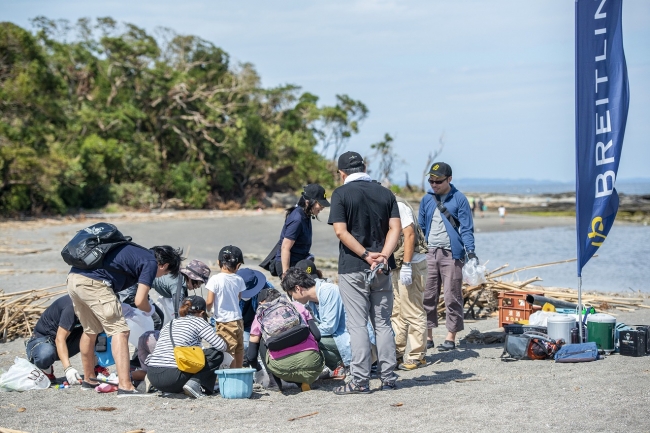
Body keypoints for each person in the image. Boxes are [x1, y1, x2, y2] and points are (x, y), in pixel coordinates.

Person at [327, 151, 401, 394]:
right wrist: (383, 256)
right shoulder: (385, 192)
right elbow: (395, 229)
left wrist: (365, 254)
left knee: (357, 325)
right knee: (382, 323)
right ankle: (389, 377)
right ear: (365, 166)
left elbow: (341, 231)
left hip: (353, 266)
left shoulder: (341, 194)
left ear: (342, 173)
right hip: (381, 267)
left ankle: (359, 380)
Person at [67, 244, 183, 396]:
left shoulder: (137, 253)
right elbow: (140, 300)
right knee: (120, 331)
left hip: (74, 278)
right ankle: (125, 386)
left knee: (91, 329)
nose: (160, 276)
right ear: (164, 265)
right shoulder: (151, 262)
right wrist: (150, 310)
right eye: (165, 273)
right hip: (94, 283)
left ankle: (89, 379)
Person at [418, 162, 477, 352]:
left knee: (452, 296)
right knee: (427, 295)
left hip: (452, 254)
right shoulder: (427, 199)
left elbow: (467, 229)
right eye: (431, 181)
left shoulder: (459, 199)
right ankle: (428, 336)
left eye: (438, 181)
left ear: (449, 179)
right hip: (429, 253)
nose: (434, 184)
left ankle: (451, 336)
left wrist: (471, 252)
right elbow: (421, 228)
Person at [145, 296, 227, 398]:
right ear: (201, 313)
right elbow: (221, 346)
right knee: (216, 354)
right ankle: (194, 383)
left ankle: (181, 386)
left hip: (153, 375)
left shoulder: (170, 323)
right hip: (172, 377)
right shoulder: (199, 321)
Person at [246, 288, 325, 392]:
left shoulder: (260, 317)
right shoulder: (297, 306)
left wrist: (257, 368)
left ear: (261, 302)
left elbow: (251, 356)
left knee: (262, 340)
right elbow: (317, 336)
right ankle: (305, 381)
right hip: (312, 365)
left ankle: (275, 383)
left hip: (282, 369)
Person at [282, 264, 349, 379]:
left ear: (298, 288)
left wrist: (302, 333)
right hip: (339, 335)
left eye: (292, 294)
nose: (293, 299)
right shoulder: (312, 300)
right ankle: (340, 366)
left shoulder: (328, 291)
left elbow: (329, 327)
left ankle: (346, 365)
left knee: (308, 336)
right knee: (308, 331)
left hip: (351, 337)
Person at [391, 195, 428, 370]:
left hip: (411, 263)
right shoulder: (385, 204)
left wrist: (406, 265)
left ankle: (417, 355)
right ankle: (397, 352)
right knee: (397, 311)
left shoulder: (398, 205)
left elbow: (410, 234)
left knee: (413, 309)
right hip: (396, 264)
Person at [119, 259, 211, 329]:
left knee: (158, 318)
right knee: (157, 320)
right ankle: (148, 349)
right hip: (131, 289)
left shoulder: (181, 280)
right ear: (191, 277)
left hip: (140, 288)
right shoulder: (177, 285)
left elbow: (184, 306)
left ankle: (145, 349)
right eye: (199, 282)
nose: (198, 286)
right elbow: (178, 313)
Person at [271, 184, 330, 279]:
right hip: (288, 265)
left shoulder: (305, 214)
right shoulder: (297, 219)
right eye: (320, 204)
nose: (322, 207)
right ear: (308, 202)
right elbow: (285, 248)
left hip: (299, 262)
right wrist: (286, 275)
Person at [25, 295, 85, 383]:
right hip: (45, 340)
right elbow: (60, 338)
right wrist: (68, 368)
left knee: (99, 332)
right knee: (45, 355)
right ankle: (46, 370)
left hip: (69, 340)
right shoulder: (71, 307)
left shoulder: (94, 305)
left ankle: (97, 367)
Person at [206, 245, 246, 368]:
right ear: (238, 265)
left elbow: (209, 301)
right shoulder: (239, 279)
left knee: (228, 351)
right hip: (238, 319)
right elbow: (239, 297)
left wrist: (207, 311)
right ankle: (239, 373)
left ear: (218, 262)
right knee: (239, 348)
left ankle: (231, 376)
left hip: (224, 321)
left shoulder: (215, 279)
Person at [236, 268, 271, 351]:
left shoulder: (266, 288)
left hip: (256, 326)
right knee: (242, 347)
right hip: (237, 326)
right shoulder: (227, 291)